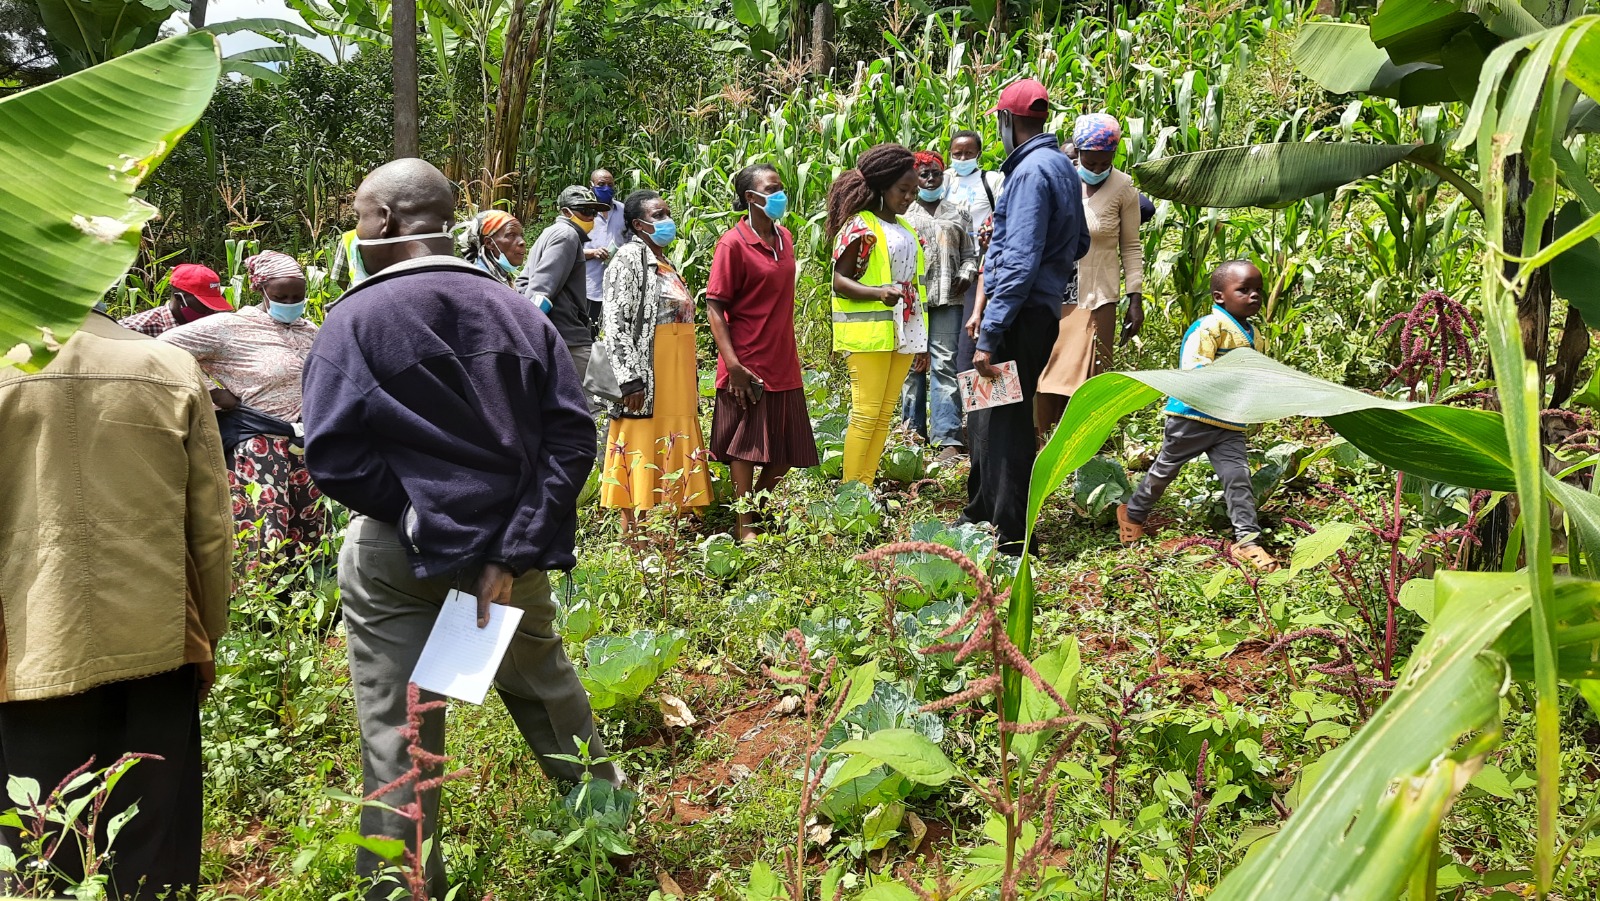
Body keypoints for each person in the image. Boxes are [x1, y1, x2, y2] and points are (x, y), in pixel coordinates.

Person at [301, 158, 618, 901]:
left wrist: (419, 512)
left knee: (399, 729)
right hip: (510, 557)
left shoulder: (352, 319)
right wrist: (508, 547)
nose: (356, 225)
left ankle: (404, 887)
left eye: (358, 212)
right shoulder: (513, 309)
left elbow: (333, 455)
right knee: (548, 691)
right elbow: (571, 439)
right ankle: (612, 833)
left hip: (396, 555)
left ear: (382, 220)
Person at [0, 308, 233, 900]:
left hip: (26, 652)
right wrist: (208, 632)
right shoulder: (168, 366)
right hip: (159, 642)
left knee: (38, 849)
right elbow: (210, 530)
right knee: (150, 852)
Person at [962, 79, 1090, 555]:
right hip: (1032, 307)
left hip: (1015, 313)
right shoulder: (1059, 166)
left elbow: (1017, 261)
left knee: (1009, 423)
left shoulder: (1032, 172)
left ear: (1007, 121)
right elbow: (1077, 243)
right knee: (986, 412)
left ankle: (1013, 536)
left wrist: (990, 333)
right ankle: (982, 507)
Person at [160, 251, 326, 562]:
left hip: (304, 446)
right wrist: (211, 392)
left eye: (297, 296)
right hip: (257, 444)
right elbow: (159, 352)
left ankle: (297, 602)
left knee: (308, 534)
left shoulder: (309, 331)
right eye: (281, 296)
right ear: (259, 290)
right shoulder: (229, 327)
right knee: (264, 536)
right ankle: (255, 605)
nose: (290, 302)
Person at [1117, 261, 1279, 571]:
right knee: (1165, 470)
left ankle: (1247, 541)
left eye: (1258, 290)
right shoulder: (1209, 327)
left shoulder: (1255, 335)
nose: (1254, 296)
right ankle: (1133, 514)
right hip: (1194, 416)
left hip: (1229, 422)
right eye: (1243, 290)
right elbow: (1194, 369)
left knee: (1238, 477)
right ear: (1220, 296)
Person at [706, 164, 819, 541]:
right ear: (751, 198)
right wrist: (734, 366)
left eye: (780, 187)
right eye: (772, 189)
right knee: (747, 446)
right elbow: (715, 307)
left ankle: (757, 506)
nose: (780, 194)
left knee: (787, 448)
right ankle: (744, 524)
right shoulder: (733, 244)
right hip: (747, 359)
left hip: (782, 356)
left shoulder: (784, 237)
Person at [598, 189, 715, 532]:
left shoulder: (664, 262)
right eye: (658, 215)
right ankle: (634, 526)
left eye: (667, 213)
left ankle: (672, 515)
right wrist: (629, 378)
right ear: (637, 224)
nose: (667, 221)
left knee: (673, 433)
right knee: (640, 435)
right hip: (647, 370)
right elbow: (616, 321)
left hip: (675, 368)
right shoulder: (629, 258)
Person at [1036, 113, 1146, 440]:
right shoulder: (1059, 180)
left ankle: (1082, 442)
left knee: (1090, 375)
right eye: (1090, 161)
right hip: (1053, 294)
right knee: (1045, 371)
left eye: (1104, 162)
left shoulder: (1124, 188)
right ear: (1078, 153)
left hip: (1096, 296)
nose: (1097, 169)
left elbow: (1131, 246)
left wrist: (1135, 299)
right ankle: (1040, 440)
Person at [827, 143, 931, 485]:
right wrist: (877, 293)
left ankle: (864, 488)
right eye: (903, 190)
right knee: (866, 413)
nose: (909, 197)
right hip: (868, 334)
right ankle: (850, 493)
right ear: (883, 187)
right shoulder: (861, 227)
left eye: (914, 191)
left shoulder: (904, 228)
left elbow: (913, 284)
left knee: (884, 413)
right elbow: (839, 281)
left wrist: (920, 339)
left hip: (901, 331)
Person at [899, 150, 977, 463]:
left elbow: (971, 255)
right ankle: (912, 432)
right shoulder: (904, 213)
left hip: (949, 297)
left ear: (943, 175)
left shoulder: (959, 212)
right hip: (912, 300)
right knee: (911, 366)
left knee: (944, 362)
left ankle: (948, 437)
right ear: (915, 178)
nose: (930, 179)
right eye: (924, 174)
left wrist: (966, 274)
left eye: (935, 173)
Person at [521, 185, 610, 383]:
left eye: (593, 212)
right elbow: (540, 290)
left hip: (559, 333)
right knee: (597, 401)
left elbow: (523, 280)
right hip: (567, 336)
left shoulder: (551, 232)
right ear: (565, 212)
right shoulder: (566, 235)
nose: (591, 217)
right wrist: (528, 332)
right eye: (585, 211)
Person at [945, 129, 1005, 377]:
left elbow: (1002, 218)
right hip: (948, 268)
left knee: (970, 338)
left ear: (978, 153)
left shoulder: (991, 181)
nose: (962, 158)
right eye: (957, 153)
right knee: (948, 343)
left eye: (968, 153)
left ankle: (975, 406)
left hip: (980, 267)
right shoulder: (944, 180)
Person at [119, 262, 233, 337]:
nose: (210, 313)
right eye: (204, 306)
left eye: (214, 308)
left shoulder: (211, 330)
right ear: (179, 298)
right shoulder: (133, 330)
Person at [584, 168, 628, 326]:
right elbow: (568, 250)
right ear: (592, 186)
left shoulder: (623, 211)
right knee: (590, 331)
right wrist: (593, 253)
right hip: (590, 284)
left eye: (610, 185)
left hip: (618, 284)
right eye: (601, 184)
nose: (606, 188)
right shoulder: (583, 213)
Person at [461, 209, 528, 288]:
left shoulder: (500, 278)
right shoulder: (478, 283)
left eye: (521, 236)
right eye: (511, 235)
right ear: (489, 243)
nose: (522, 242)